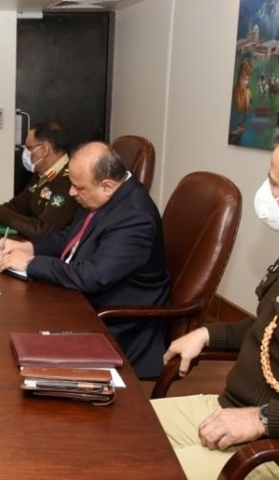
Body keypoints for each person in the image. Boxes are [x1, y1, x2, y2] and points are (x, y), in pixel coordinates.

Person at [151, 146, 279, 480]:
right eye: (271, 179)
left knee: (143, 468)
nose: (269, 194)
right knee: (118, 430)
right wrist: (209, 333)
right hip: (229, 407)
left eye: (277, 185)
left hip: (267, 444)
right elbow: (270, 330)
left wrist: (262, 419)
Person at [0, 141, 171, 377]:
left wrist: (30, 264)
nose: (71, 193)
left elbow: (93, 276)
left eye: (78, 187)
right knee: (7, 321)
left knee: (14, 335)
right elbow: (72, 238)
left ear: (107, 186)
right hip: (81, 300)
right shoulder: (102, 194)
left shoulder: (135, 218)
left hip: (115, 322)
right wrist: (30, 247)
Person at [0, 121, 78, 239]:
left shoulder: (69, 180)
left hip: (50, 254)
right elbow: (20, 206)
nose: (25, 153)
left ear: (44, 150)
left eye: (29, 148)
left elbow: (42, 229)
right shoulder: (41, 174)